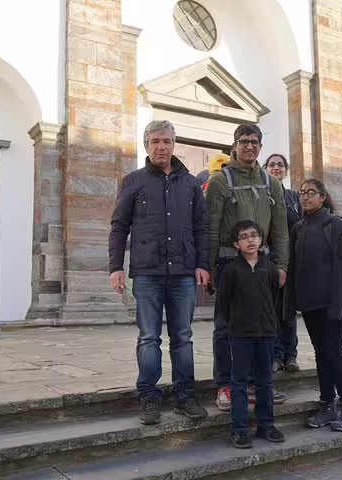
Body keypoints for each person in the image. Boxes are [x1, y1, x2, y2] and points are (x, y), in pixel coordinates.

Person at [108, 120, 210, 425]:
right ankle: (149, 397)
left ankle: (184, 396)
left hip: (182, 274)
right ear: (146, 146)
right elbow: (119, 226)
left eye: (166, 141)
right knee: (149, 337)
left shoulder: (191, 184)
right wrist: (115, 267)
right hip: (148, 272)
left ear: (174, 144)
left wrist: (203, 263)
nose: (161, 146)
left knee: (182, 337)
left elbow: (202, 227)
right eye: (155, 141)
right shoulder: (133, 181)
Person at [205, 124, 289, 412]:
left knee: (262, 326)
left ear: (260, 147)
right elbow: (210, 228)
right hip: (229, 264)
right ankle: (226, 385)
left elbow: (280, 230)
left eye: (254, 142)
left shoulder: (272, 183)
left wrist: (281, 265)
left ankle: (258, 383)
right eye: (244, 142)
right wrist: (209, 266)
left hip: (263, 265)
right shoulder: (219, 181)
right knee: (225, 327)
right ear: (235, 145)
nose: (250, 147)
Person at [284, 178, 342, 432]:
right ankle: (327, 405)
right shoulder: (299, 228)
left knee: (333, 351)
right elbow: (294, 268)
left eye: (311, 193)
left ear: (323, 197)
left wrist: (338, 305)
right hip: (310, 305)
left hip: (332, 303)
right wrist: (290, 303)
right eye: (302, 193)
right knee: (321, 353)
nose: (305, 197)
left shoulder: (335, 225)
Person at [217, 220, 286, 448]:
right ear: (237, 244)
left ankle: (266, 424)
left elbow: (274, 299)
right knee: (239, 383)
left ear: (261, 240)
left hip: (266, 334)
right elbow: (223, 304)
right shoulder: (231, 270)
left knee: (265, 381)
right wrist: (235, 325)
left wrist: (270, 324)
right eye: (244, 236)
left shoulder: (269, 268)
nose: (250, 239)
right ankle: (239, 428)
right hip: (240, 336)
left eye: (254, 235)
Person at [262, 154, 302, 373]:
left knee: (288, 310)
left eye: (280, 165)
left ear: (286, 171)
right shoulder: (259, 195)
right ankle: (275, 355)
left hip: (291, 262)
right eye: (272, 164)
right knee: (271, 310)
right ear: (265, 169)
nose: (276, 168)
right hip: (265, 263)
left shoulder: (295, 198)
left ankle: (291, 355)